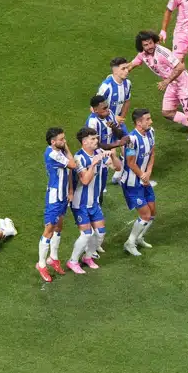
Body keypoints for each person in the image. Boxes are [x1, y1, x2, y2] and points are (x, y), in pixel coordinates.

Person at [67, 127, 113, 274]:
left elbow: (116, 167)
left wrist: (113, 155)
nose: (96, 141)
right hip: (79, 203)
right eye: (93, 139)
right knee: (87, 234)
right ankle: (72, 261)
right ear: (84, 141)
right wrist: (93, 164)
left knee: (100, 232)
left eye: (96, 138)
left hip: (94, 202)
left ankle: (87, 257)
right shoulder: (78, 158)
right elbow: (85, 181)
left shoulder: (99, 153)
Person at [37, 127, 72, 282]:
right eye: (61, 139)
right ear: (53, 142)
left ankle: (54, 258)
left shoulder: (58, 151)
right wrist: (67, 148)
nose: (64, 141)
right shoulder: (53, 154)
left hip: (63, 195)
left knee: (59, 226)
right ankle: (42, 264)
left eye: (64, 139)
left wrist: (70, 190)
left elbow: (68, 172)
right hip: (54, 197)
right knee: (49, 230)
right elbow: (73, 165)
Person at [120, 108, 157, 255]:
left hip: (144, 178)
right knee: (145, 215)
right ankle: (129, 243)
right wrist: (143, 175)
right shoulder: (131, 139)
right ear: (138, 123)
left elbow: (152, 152)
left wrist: (149, 172)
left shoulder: (151, 132)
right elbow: (130, 162)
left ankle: (139, 237)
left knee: (152, 212)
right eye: (147, 119)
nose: (151, 121)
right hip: (132, 183)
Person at [86, 93, 125, 189]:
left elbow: (120, 134)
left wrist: (113, 127)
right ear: (95, 110)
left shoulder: (110, 113)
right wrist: (114, 145)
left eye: (107, 106)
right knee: (117, 167)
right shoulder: (93, 122)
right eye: (104, 108)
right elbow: (95, 145)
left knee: (101, 185)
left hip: (106, 150)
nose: (107, 109)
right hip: (95, 152)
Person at [96, 56, 132, 131]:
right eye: (123, 68)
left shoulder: (127, 83)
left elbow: (127, 101)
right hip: (104, 122)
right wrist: (113, 118)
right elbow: (94, 109)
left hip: (118, 121)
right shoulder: (106, 87)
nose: (127, 71)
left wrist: (121, 118)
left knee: (126, 141)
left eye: (127, 68)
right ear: (115, 71)